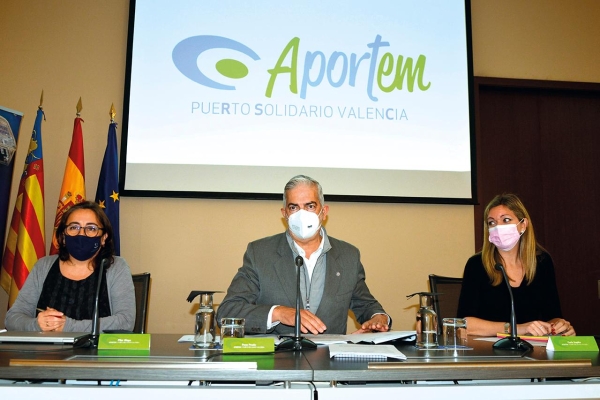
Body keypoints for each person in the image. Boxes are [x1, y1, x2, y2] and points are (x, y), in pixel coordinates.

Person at [217, 175, 390, 335]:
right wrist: (278, 313)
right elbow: (228, 312)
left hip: (329, 361)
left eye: (310, 206)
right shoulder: (259, 253)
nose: (302, 215)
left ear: (324, 211)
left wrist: (378, 318)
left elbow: (366, 305)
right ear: (284, 213)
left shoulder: (348, 255)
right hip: (277, 362)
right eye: (294, 207)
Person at [5, 201, 135, 332]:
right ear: (63, 236)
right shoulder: (43, 266)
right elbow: (12, 319)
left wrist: (68, 326)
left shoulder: (116, 267)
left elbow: (125, 322)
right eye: (74, 227)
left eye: (91, 228)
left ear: (103, 238)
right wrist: (37, 324)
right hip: (47, 351)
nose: (81, 234)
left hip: (96, 351)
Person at [457, 194, 575, 336]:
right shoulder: (476, 264)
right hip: (489, 351)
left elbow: (552, 314)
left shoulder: (542, 262)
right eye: (492, 223)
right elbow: (464, 324)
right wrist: (517, 329)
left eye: (506, 220)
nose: (498, 227)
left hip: (533, 350)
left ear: (523, 225)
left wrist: (560, 327)